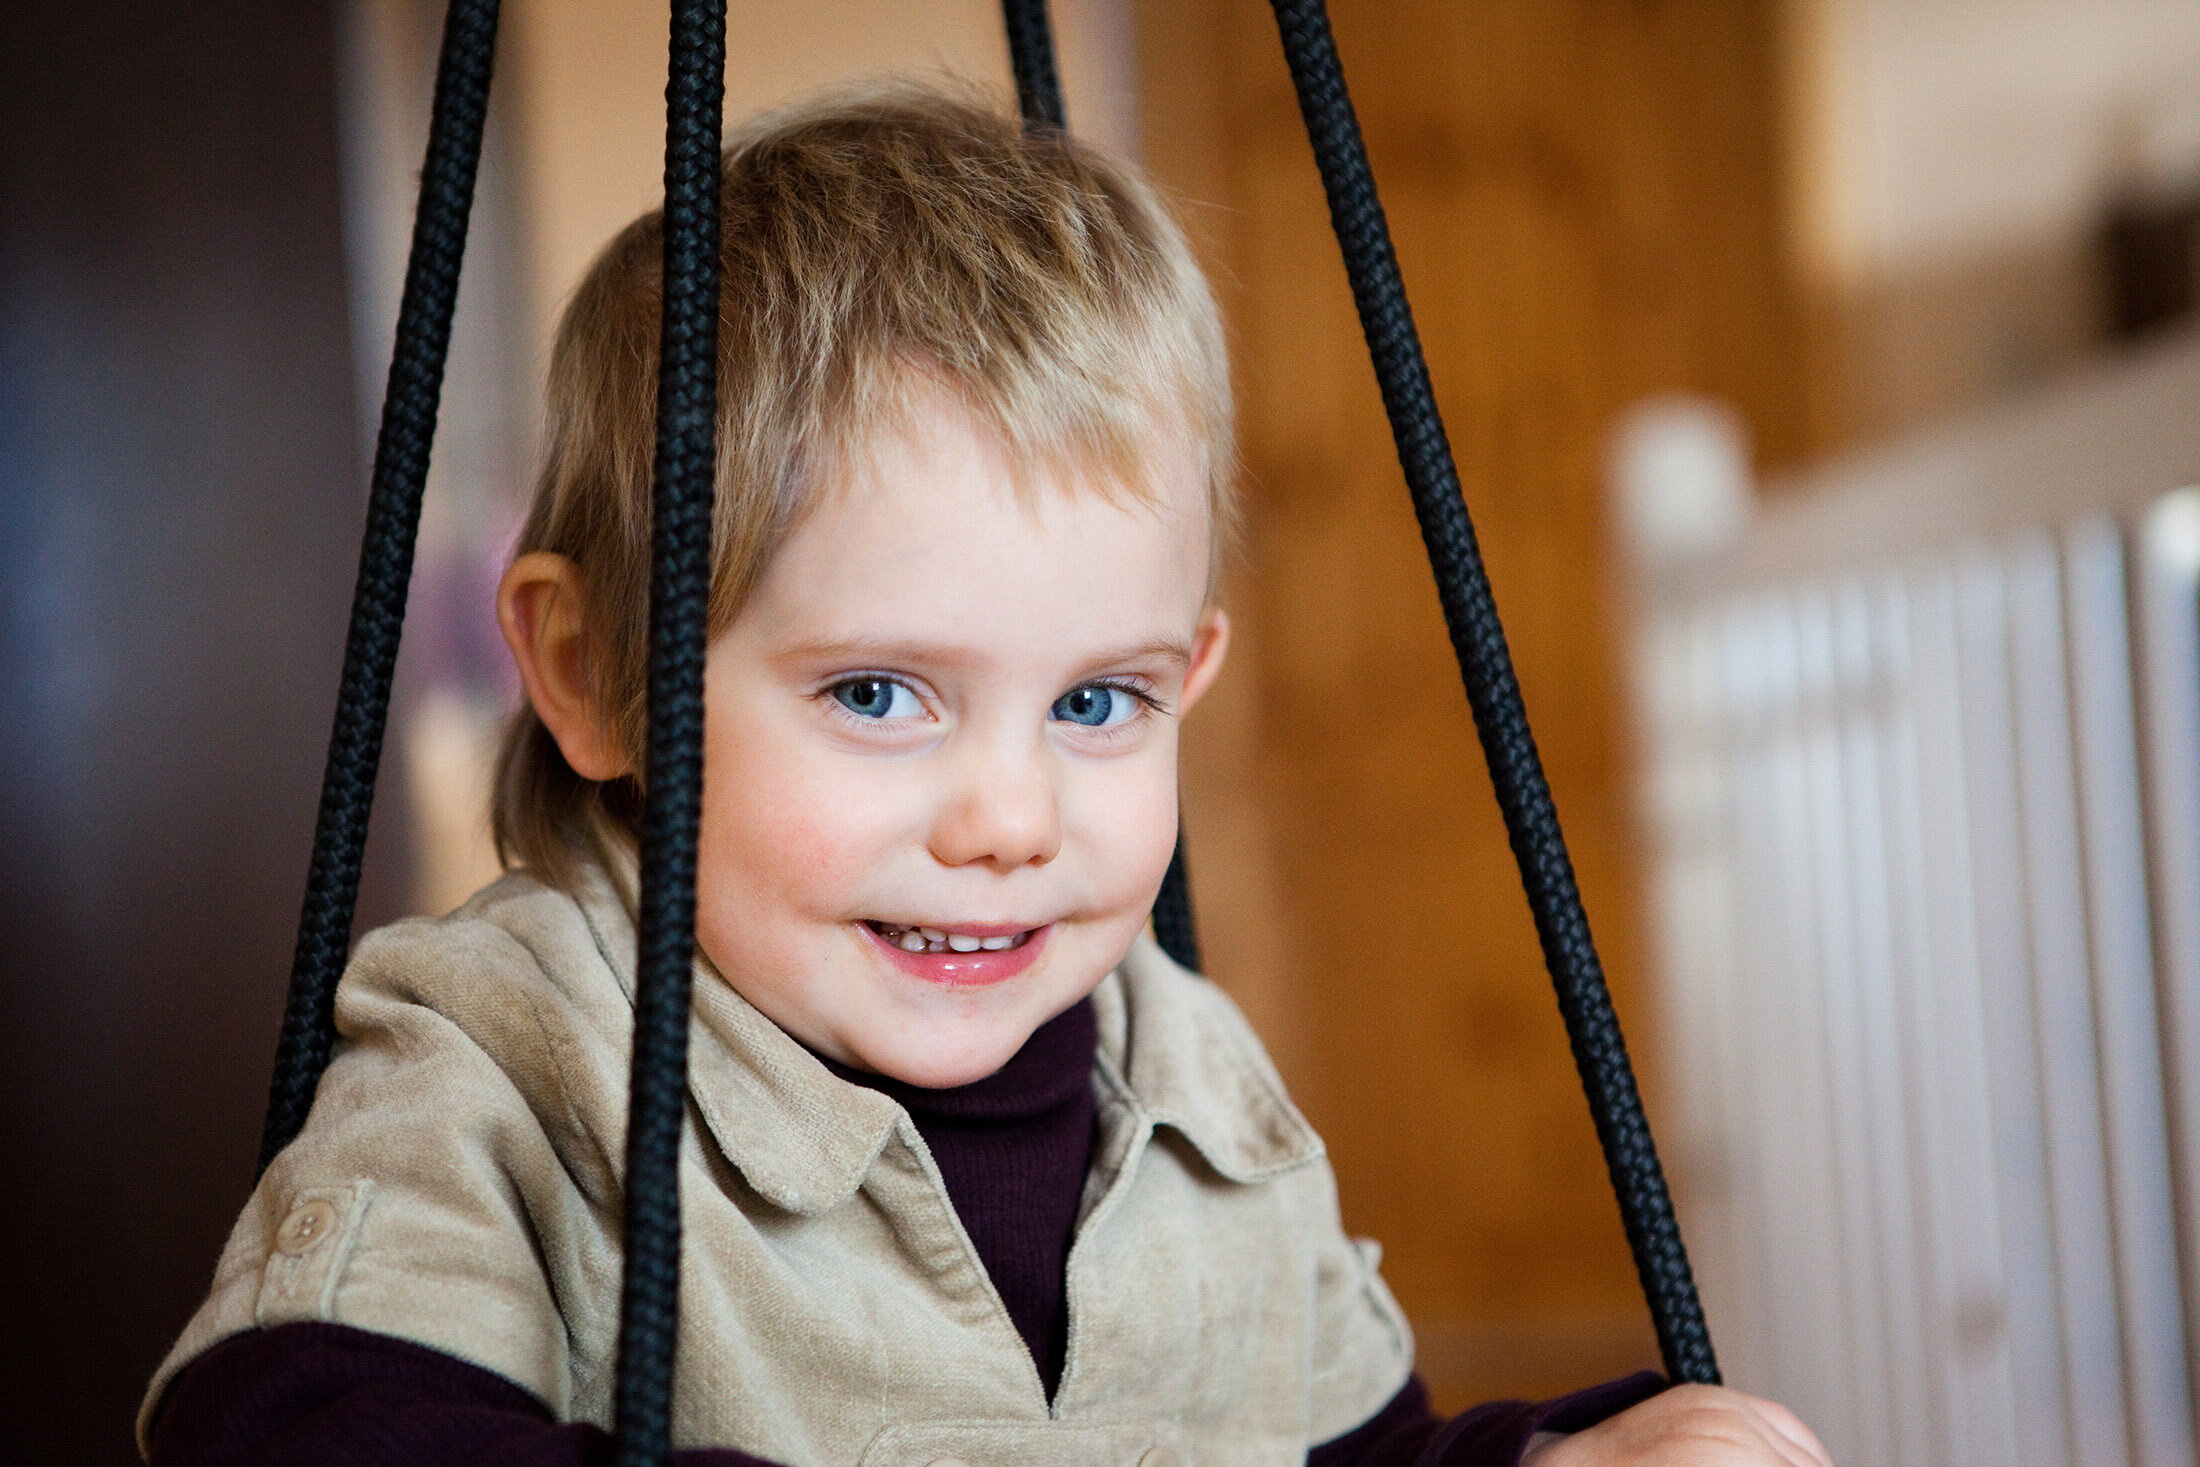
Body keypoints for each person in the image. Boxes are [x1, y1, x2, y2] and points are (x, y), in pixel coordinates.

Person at [140, 87, 1831, 1467]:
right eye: (881, 694)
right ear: (592, 676)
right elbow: (289, 1420)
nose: (1013, 822)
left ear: (1196, 682)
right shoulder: (514, 1054)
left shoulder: (1195, 1081)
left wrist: (1546, 1463)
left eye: (1100, 705)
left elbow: (1356, 1456)